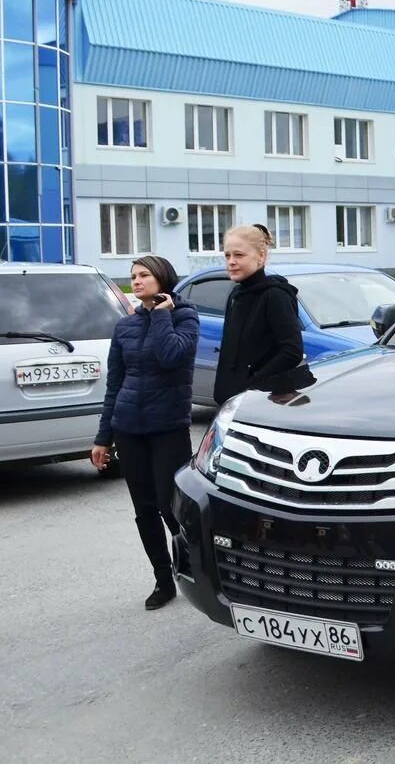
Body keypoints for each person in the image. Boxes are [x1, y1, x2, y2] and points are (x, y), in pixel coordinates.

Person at [90, 255, 200, 610]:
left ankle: (195, 572)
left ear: (163, 279)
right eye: (133, 276)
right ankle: (162, 579)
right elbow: (115, 384)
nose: (135, 281)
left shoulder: (185, 317)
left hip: (167, 428)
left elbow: (170, 356)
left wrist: (162, 314)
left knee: (173, 508)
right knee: (144, 509)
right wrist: (103, 437)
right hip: (128, 428)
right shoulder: (124, 326)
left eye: (144, 275)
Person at [213, 224, 312, 406]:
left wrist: (251, 384)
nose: (231, 261)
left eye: (239, 255)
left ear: (261, 256)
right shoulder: (236, 295)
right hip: (233, 402)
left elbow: (291, 351)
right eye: (227, 255)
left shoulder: (275, 295)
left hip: (264, 401)